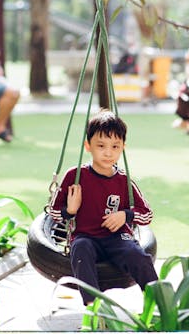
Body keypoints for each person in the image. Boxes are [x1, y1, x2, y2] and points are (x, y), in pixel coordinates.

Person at [49, 110, 158, 305]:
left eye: (115, 146)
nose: (108, 152)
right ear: (88, 146)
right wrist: (70, 211)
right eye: (101, 146)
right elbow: (53, 212)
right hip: (86, 237)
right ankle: (94, 309)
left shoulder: (124, 181)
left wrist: (126, 215)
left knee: (139, 256)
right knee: (80, 248)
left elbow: (147, 214)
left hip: (117, 239)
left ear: (123, 147)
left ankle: (159, 305)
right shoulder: (75, 176)